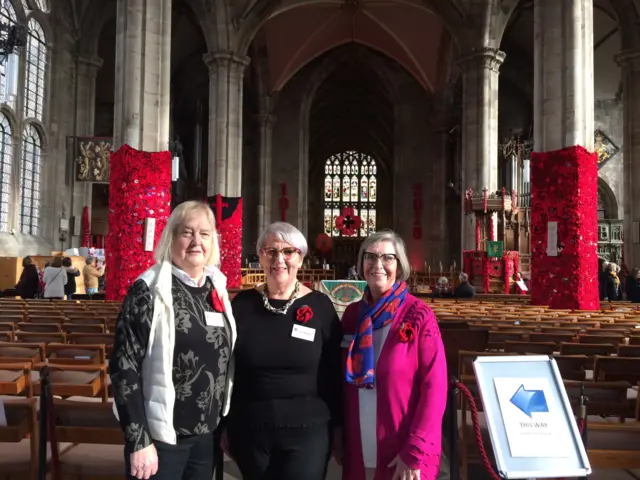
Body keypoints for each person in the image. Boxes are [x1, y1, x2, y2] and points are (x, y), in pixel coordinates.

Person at [109, 201, 236, 480]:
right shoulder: (148, 289)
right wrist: (138, 439)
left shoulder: (216, 287)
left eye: (204, 234)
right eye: (186, 232)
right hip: (161, 438)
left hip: (206, 436)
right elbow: (123, 366)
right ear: (171, 237)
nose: (196, 241)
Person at [226, 221, 342, 480]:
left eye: (288, 252)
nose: (280, 259)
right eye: (271, 251)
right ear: (261, 257)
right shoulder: (243, 304)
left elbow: (334, 372)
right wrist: (225, 427)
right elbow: (227, 369)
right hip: (250, 429)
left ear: (300, 259)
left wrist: (339, 428)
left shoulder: (320, 306)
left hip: (308, 430)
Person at [340, 230, 447, 480]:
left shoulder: (419, 315)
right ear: (361, 264)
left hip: (403, 452)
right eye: (370, 257)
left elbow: (435, 388)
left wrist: (414, 451)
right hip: (358, 448)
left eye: (387, 258)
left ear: (399, 266)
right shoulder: (352, 315)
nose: (378, 265)